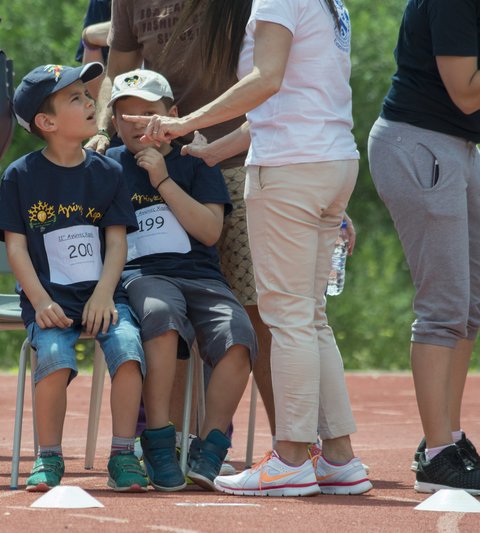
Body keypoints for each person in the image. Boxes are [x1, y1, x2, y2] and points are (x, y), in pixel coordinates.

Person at [125, 0, 372, 497]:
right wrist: (215, 150)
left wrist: (180, 122)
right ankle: (339, 457)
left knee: (288, 317)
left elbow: (266, 80)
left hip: (291, 169)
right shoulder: (328, 4)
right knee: (311, 316)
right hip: (331, 160)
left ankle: (290, 459)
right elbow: (290, 98)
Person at [86, 0, 277, 451]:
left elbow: (276, 69)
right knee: (165, 310)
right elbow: (117, 69)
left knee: (258, 315)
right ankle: (172, 442)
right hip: (158, 156)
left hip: (232, 159)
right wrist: (100, 131)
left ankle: (292, 447)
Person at [0, 62, 148, 493]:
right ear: (47, 122)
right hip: (50, 300)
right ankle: (48, 458)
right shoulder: (20, 176)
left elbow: (116, 244)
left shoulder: (108, 172)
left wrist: (103, 295)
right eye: (75, 97)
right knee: (55, 357)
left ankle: (122, 454)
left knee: (129, 348)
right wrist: (40, 302)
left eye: (86, 93)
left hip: (101, 298)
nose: (89, 101)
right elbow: (16, 248)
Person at [106, 69, 256, 491]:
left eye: (148, 113)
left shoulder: (196, 161)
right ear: (114, 123)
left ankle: (209, 446)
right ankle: (158, 438)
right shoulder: (106, 166)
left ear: (172, 115)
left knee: (238, 333)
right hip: (143, 276)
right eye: (126, 116)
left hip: (201, 276)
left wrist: (163, 180)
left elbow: (209, 231)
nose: (137, 123)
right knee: (159, 313)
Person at [367, 0, 480, 494]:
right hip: (420, 143)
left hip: (457, 147)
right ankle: (437, 455)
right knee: (444, 307)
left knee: (470, 307)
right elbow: (466, 92)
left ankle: (447, 440)